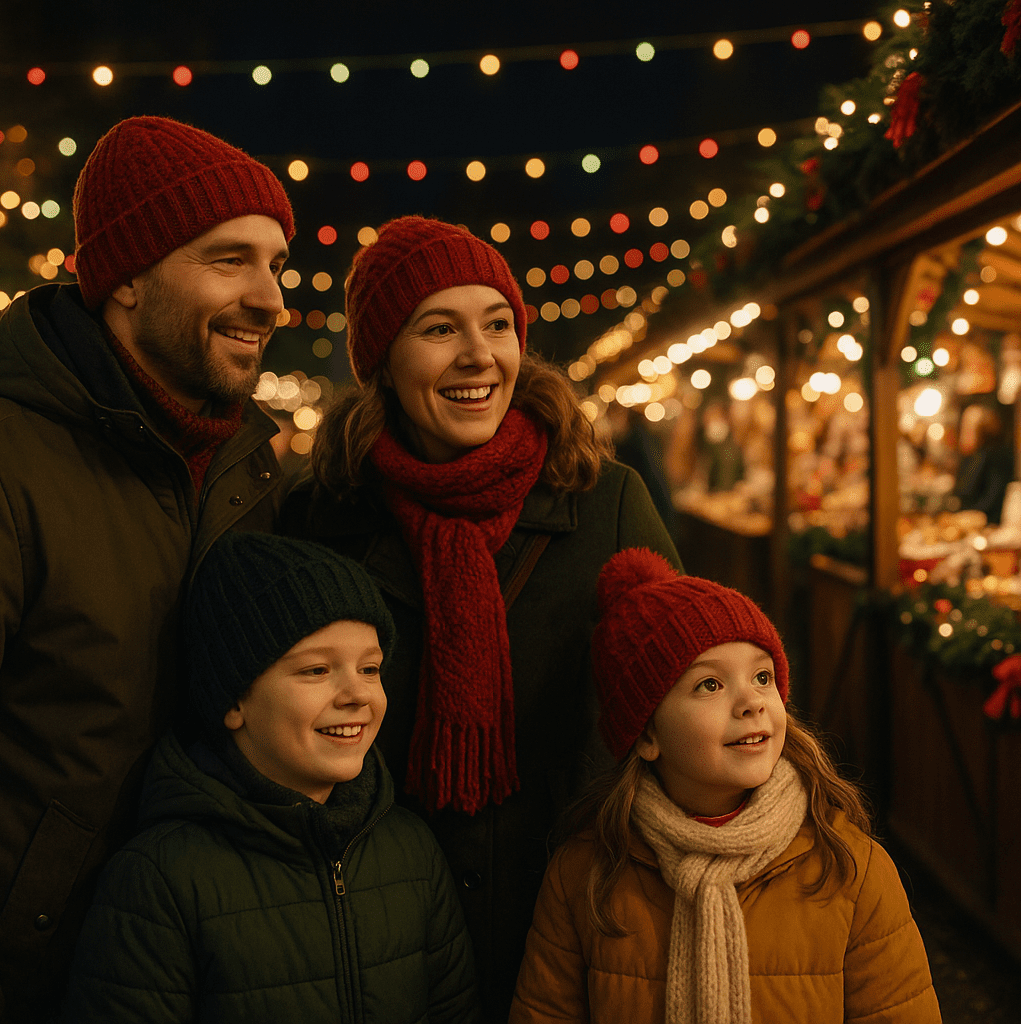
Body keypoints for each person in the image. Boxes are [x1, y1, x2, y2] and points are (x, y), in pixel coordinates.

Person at [282, 215, 681, 1018]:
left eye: (498, 324)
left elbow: (684, 702)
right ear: (383, 362)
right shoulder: (319, 522)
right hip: (378, 936)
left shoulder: (605, 505)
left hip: (579, 921)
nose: (479, 355)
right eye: (439, 328)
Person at [0, 115, 295, 1022]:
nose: (273, 300)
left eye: (276, 264)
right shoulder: (13, 454)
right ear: (125, 274)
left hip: (193, 968)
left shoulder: (249, 468)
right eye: (228, 260)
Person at [510, 548, 942, 1024]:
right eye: (709, 685)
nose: (751, 702)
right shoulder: (585, 875)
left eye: (762, 676)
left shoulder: (849, 868)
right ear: (647, 733)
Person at [61, 532, 479, 1023]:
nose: (357, 694)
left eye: (370, 668)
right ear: (233, 700)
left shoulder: (412, 851)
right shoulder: (160, 878)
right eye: (317, 670)